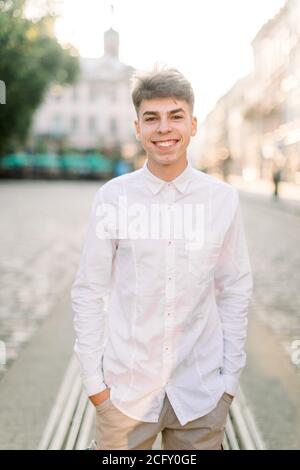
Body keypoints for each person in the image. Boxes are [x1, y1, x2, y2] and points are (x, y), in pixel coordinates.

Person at [71, 67, 253, 450]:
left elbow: (234, 289)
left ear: (193, 124)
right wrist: (95, 388)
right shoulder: (112, 198)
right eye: (151, 118)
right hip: (124, 397)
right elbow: (89, 291)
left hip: (201, 396)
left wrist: (229, 382)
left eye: (175, 116)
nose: (164, 128)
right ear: (137, 127)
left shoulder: (222, 201)